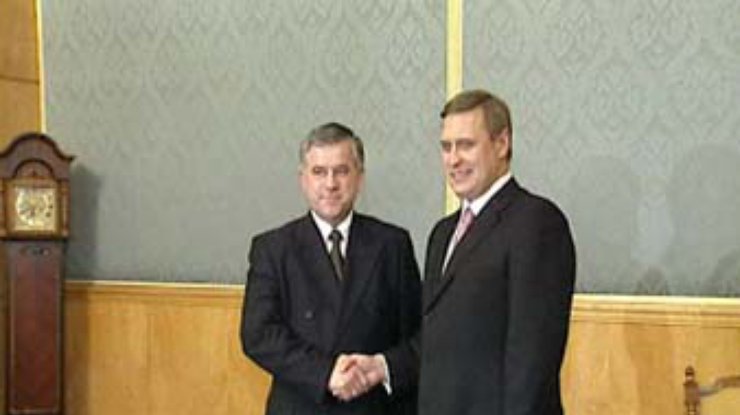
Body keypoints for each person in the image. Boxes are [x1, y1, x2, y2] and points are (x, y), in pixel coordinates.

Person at [240, 122, 421, 415]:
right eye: (319, 172)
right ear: (303, 179)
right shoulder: (273, 249)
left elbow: (417, 336)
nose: (330, 184)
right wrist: (325, 373)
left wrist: (380, 368)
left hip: (374, 407)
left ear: (360, 177)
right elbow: (258, 335)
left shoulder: (392, 245)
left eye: (341, 171)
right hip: (302, 406)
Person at [417, 89, 576, 415]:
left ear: (502, 144)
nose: (453, 159)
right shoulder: (442, 234)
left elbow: (532, 361)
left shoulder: (536, 222)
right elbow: (436, 343)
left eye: (466, 145)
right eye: (446, 147)